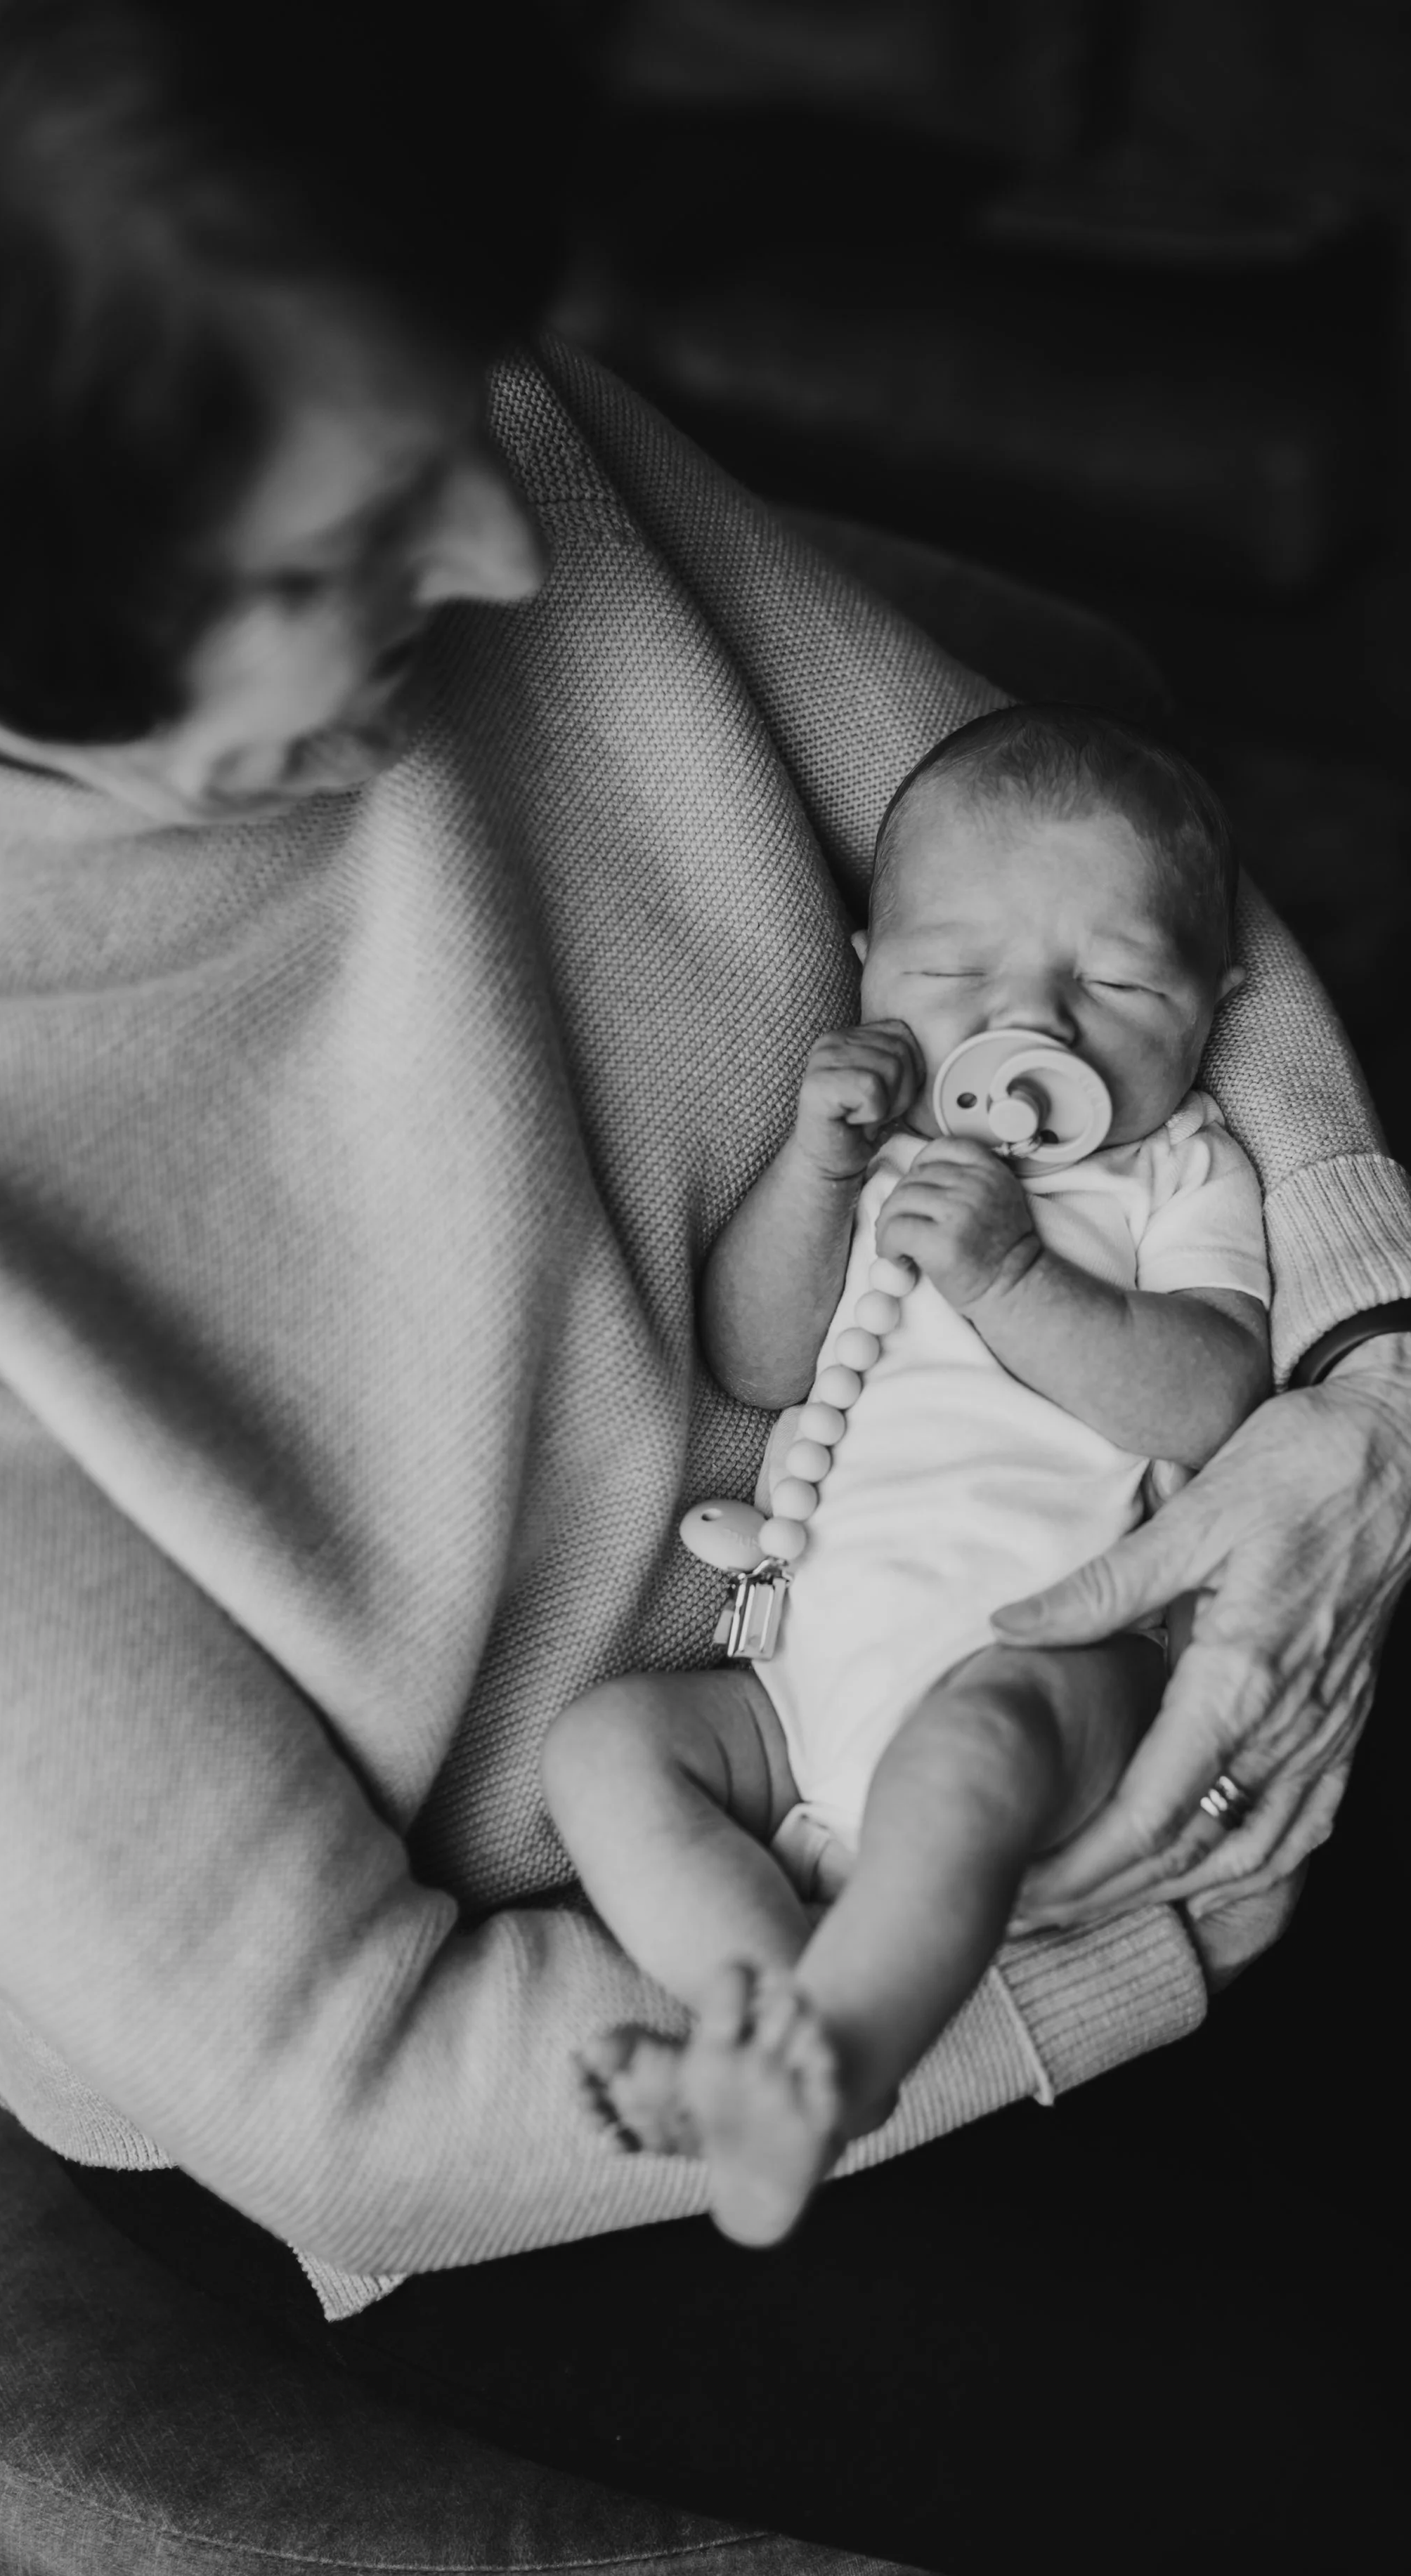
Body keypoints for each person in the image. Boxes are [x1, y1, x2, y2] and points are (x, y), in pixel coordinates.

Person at [0, 4, 1411, 2576]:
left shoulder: (452, 431)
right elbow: (344, 2098)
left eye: (477, 398)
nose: (505, 552)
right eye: (348, 547)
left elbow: (1104, 882)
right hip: (566, 2040)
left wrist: (1375, 1369)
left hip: (1008, 1584)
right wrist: (1125, 1915)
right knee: (1374, 2458)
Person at [547, 704, 1283, 2244]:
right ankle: (761, 2021)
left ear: (1215, 1004)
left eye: (1118, 983)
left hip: (1046, 1672)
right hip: (794, 1705)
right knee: (608, 1747)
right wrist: (818, 1170)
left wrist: (1015, 1278)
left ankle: (844, 2060)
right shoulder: (879, 1158)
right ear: (870, 968)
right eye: (954, 975)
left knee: (971, 1749)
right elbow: (758, 1359)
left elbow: (1210, 1399)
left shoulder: (1177, 1172)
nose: (1034, 1024)